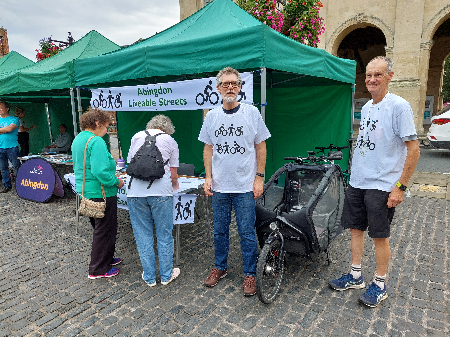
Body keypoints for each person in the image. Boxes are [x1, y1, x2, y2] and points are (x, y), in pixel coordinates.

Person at [328, 56, 420, 307]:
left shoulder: (399, 106)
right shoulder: (367, 107)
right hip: (359, 180)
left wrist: (400, 187)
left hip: (383, 184)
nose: (371, 80)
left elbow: (413, 149)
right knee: (356, 229)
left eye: (378, 75)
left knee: (379, 235)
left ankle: (380, 283)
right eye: (369, 75)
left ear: (390, 76)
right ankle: (356, 275)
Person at [198, 67, 271, 296]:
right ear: (218, 88)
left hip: (244, 186)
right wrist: (208, 177)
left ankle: (250, 273)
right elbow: (208, 148)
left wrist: (259, 178)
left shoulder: (251, 113)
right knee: (219, 231)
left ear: (240, 87)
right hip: (220, 186)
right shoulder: (211, 116)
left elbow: (261, 146)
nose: (230, 87)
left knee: (246, 232)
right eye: (226, 84)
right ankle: (220, 267)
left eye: (234, 83)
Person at [127, 114, 180, 286]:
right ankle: (166, 276)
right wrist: (175, 185)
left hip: (134, 192)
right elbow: (173, 174)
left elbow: (130, 164)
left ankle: (149, 277)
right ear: (167, 128)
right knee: (164, 234)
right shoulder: (170, 141)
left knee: (143, 235)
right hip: (160, 192)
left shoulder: (136, 136)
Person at [71, 107, 125, 279]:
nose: (107, 131)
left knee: (100, 228)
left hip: (86, 191)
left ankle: (107, 258)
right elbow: (100, 171)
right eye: (106, 126)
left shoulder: (79, 138)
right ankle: (98, 269)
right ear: (97, 123)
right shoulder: (97, 141)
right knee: (104, 230)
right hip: (102, 193)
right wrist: (117, 181)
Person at [0, 101, 21, 193]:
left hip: (12, 147)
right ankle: (7, 185)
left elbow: (10, 129)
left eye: (1, 108)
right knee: (3, 168)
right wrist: (4, 130)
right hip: (0, 147)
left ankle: (20, 185)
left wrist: (4, 130)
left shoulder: (14, 119)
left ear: (7, 109)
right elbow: (7, 129)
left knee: (17, 166)